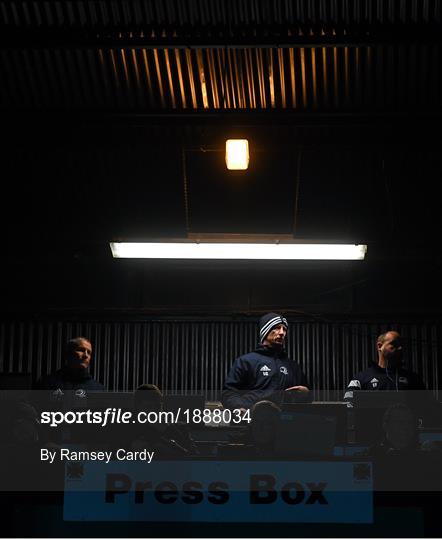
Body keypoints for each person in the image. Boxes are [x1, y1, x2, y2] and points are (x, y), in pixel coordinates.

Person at [222, 313, 309, 410]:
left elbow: (307, 398)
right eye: (276, 328)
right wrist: (239, 408)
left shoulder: (293, 366)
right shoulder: (246, 361)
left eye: (284, 329)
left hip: (284, 422)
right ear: (265, 331)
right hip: (251, 421)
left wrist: (306, 394)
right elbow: (228, 393)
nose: (281, 332)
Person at [35, 336, 104, 392]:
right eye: (81, 350)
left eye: (89, 352)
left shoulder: (98, 389)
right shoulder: (47, 383)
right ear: (68, 353)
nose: (86, 355)